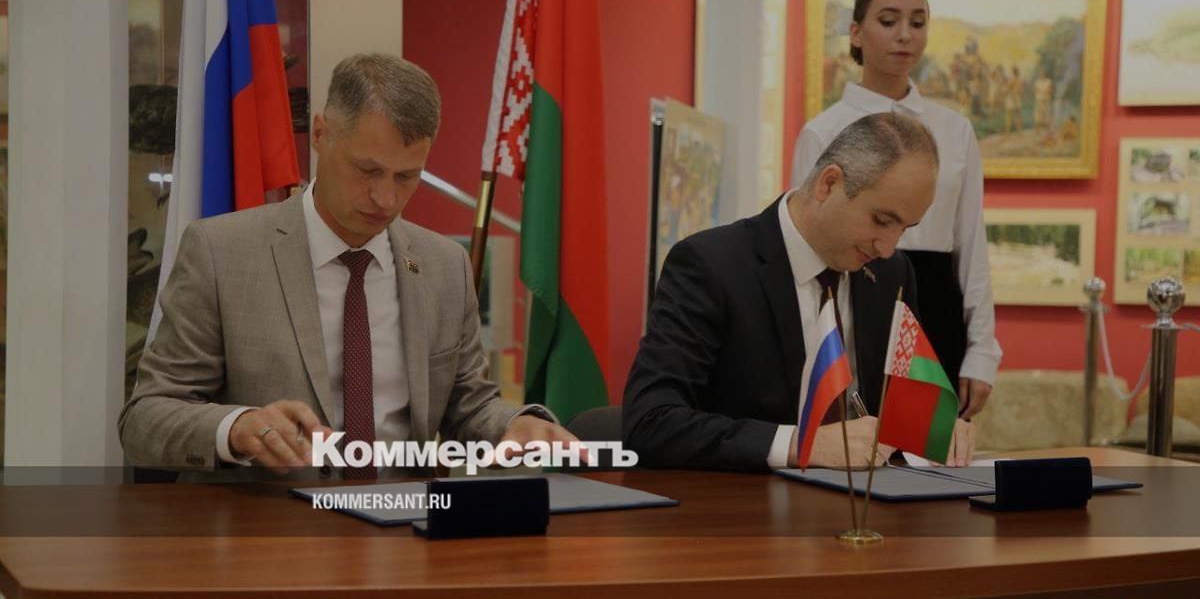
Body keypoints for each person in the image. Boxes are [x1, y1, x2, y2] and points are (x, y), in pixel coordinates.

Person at [120, 53, 577, 481]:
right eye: (367, 170)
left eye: (406, 177)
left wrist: (514, 425)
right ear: (320, 134)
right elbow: (145, 418)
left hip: (405, 519)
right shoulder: (222, 252)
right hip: (269, 525)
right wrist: (237, 427)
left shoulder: (444, 265)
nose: (386, 198)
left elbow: (470, 406)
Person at [624, 112, 976, 472]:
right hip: (747, 500)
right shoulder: (711, 265)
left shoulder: (891, 272)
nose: (888, 247)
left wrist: (934, 427)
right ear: (829, 184)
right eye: (881, 221)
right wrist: (801, 445)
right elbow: (649, 423)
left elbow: (902, 403)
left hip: (869, 500)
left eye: (905, 228)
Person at [790, 0, 1001, 420]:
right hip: (849, 294)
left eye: (917, 22)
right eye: (888, 21)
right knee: (848, 444)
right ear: (856, 32)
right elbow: (801, 239)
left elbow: (971, 243)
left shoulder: (955, 130)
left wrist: (982, 349)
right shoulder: (823, 131)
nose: (905, 35)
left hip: (935, 302)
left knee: (928, 447)